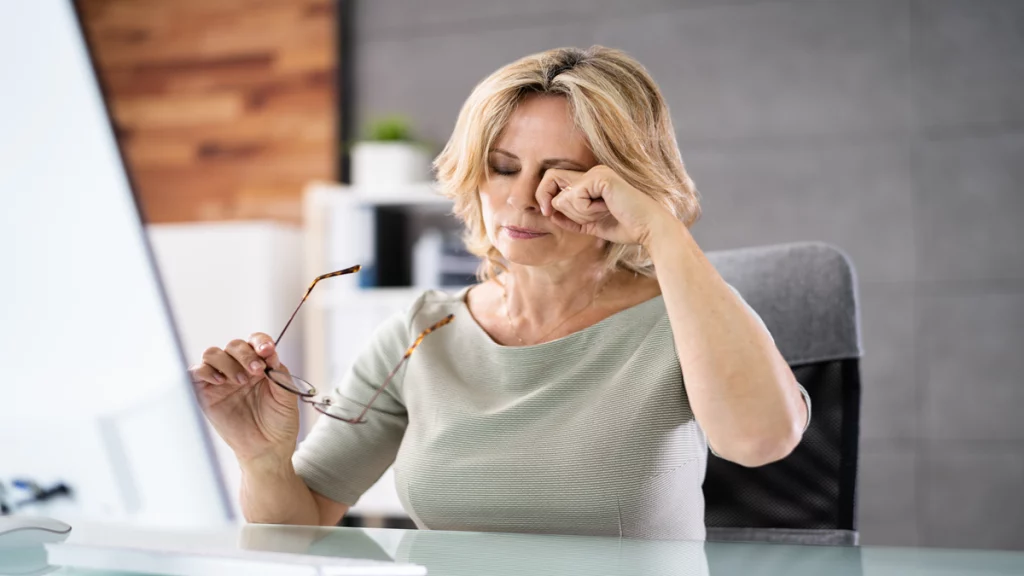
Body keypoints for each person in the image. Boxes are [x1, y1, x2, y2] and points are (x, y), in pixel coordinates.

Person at [190, 46, 810, 540]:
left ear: (620, 187)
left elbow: (759, 440)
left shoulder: (686, 314)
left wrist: (659, 229)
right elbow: (298, 528)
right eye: (504, 166)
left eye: (561, 176)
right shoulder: (421, 332)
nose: (520, 199)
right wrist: (263, 458)